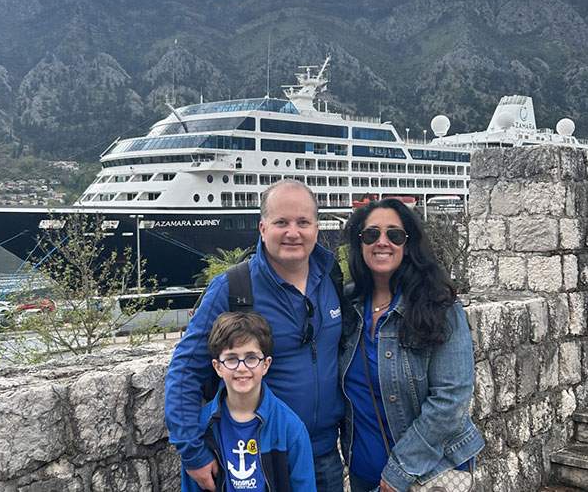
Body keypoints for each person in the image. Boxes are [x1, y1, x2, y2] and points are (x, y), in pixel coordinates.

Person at [166, 179, 345, 492]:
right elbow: (185, 370)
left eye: (303, 222)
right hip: (261, 456)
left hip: (326, 454)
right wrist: (192, 451)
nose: (293, 232)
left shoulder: (331, 277)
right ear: (262, 228)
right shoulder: (233, 288)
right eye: (281, 222)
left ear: (317, 228)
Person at [339, 198, 484, 492]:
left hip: (426, 474)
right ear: (360, 243)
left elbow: (451, 400)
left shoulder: (439, 307)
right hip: (363, 473)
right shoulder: (347, 306)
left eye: (394, 235)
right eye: (371, 234)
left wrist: (398, 472)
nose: (382, 242)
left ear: (408, 245)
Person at [180, 311, 316, 492]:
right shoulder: (201, 428)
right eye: (231, 358)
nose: (242, 368)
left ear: (266, 365)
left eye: (251, 358)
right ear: (217, 367)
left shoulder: (290, 428)